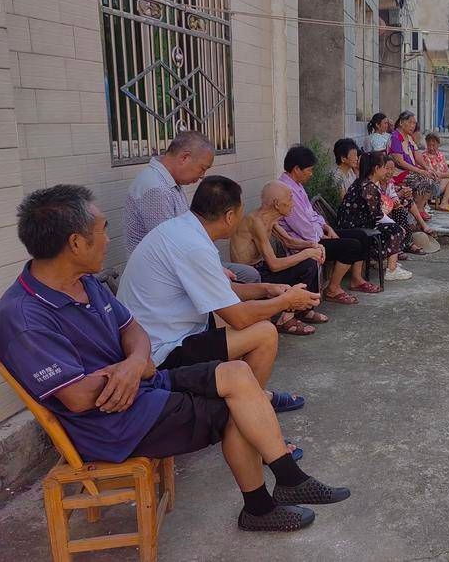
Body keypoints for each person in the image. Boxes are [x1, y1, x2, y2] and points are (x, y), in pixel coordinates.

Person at [0, 184, 349, 533]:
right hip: (115, 423)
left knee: (238, 375)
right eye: (103, 230)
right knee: (240, 409)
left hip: (144, 385)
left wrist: (134, 363)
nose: (108, 240)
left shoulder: (83, 281)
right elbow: (77, 397)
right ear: (76, 243)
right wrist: (136, 368)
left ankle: (289, 479)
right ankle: (259, 508)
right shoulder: (25, 316)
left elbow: (132, 329)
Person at [118, 176, 318, 417]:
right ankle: (247, 412)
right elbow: (239, 318)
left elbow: (224, 293)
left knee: (235, 317)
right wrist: (286, 301)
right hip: (158, 353)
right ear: (230, 216)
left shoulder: (184, 230)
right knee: (264, 332)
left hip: (159, 334)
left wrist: (268, 289)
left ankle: (245, 395)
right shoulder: (194, 246)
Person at [123, 130, 259, 284]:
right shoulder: (156, 188)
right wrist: (214, 269)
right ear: (184, 157)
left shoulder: (170, 182)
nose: (202, 176)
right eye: (202, 168)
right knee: (247, 278)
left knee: (248, 274)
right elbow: (169, 246)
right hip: (159, 274)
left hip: (180, 262)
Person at [277, 145, 379, 303]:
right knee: (351, 246)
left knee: (361, 235)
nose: (311, 174)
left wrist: (327, 227)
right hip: (306, 242)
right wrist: (323, 234)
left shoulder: (297, 185)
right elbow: (302, 227)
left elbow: (312, 214)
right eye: (309, 170)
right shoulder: (285, 190)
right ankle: (333, 289)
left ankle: (356, 279)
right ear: (297, 169)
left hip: (317, 233)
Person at [229, 181, 330, 334]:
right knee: (307, 262)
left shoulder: (270, 219)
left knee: (309, 263)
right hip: (249, 277)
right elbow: (274, 265)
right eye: (290, 199)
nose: (293, 204)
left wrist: (313, 245)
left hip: (261, 268)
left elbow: (289, 241)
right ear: (277, 204)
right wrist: (307, 253)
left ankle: (304, 310)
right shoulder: (255, 221)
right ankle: (286, 319)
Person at [338, 152, 412, 281]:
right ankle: (391, 269)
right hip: (353, 227)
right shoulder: (369, 188)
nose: (386, 171)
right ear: (376, 169)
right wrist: (396, 225)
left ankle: (390, 264)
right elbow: (377, 216)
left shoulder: (363, 183)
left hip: (355, 224)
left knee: (394, 225)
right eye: (384, 167)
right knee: (396, 230)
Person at [388, 111, 441, 215]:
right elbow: (400, 162)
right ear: (401, 123)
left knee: (432, 177)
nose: (413, 126)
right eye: (410, 122)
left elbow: (417, 156)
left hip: (410, 171)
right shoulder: (395, 137)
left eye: (414, 123)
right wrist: (420, 171)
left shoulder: (409, 138)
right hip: (398, 172)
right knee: (425, 181)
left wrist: (427, 168)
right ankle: (418, 210)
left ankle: (420, 207)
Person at [421, 132, 449, 212]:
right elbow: (433, 174)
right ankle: (444, 203)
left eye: (434, 145)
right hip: (433, 185)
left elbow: (446, 169)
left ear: (438, 144)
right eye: (429, 145)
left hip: (442, 182)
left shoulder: (440, 155)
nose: (431, 148)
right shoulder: (424, 156)